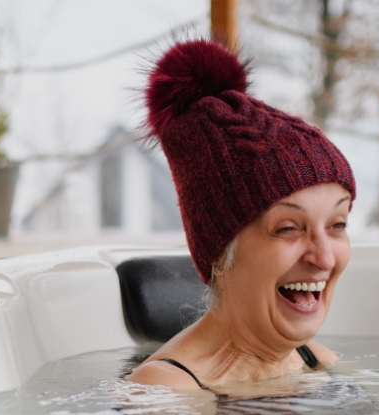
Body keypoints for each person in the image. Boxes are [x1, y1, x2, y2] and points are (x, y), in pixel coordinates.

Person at [128, 40, 356, 392]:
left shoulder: (315, 360)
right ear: (221, 252)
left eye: (337, 224)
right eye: (288, 228)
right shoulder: (165, 388)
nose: (325, 257)